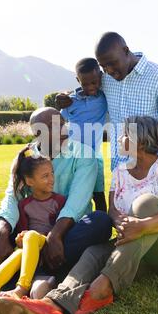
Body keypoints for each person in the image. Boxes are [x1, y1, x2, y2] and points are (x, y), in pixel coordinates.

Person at [0, 116, 158, 314]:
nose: (118, 138)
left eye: (124, 134)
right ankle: (54, 305)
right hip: (148, 256)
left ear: (140, 142)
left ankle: (101, 289)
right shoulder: (120, 173)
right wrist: (120, 222)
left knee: (145, 204)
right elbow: (113, 210)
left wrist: (141, 226)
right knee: (94, 253)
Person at [56, 32, 158, 241]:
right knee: (133, 213)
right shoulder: (104, 78)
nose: (109, 71)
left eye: (113, 64)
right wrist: (65, 97)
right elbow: (86, 88)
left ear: (126, 51)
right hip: (124, 156)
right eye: (104, 67)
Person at [0, 107, 112, 292]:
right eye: (53, 126)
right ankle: (42, 275)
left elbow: (78, 201)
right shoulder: (26, 157)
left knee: (101, 221)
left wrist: (55, 235)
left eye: (62, 122)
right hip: (28, 235)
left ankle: (16, 273)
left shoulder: (85, 154)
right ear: (38, 134)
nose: (63, 128)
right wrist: (1, 234)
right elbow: (12, 196)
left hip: (66, 234)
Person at [0, 150, 66, 314]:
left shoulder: (59, 201)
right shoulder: (24, 204)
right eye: (45, 176)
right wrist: (20, 238)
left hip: (46, 245)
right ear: (30, 181)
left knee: (31, 236)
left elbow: (58, 229)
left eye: (51, 173)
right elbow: (22, 229)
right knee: (18, 253)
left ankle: (20, 289)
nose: (52, 179)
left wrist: (31, 236)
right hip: (29, 248)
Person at [60, 57, 108, 211]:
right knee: (73, 194)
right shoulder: (70, 102)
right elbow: (59, 122)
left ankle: (103, 229)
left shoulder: (104, 98)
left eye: (94, 82)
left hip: (94, 157)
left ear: (100, 76)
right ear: (77, 80)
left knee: (98, 195)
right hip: (73, 158)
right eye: (85, 84)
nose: (91, 87)